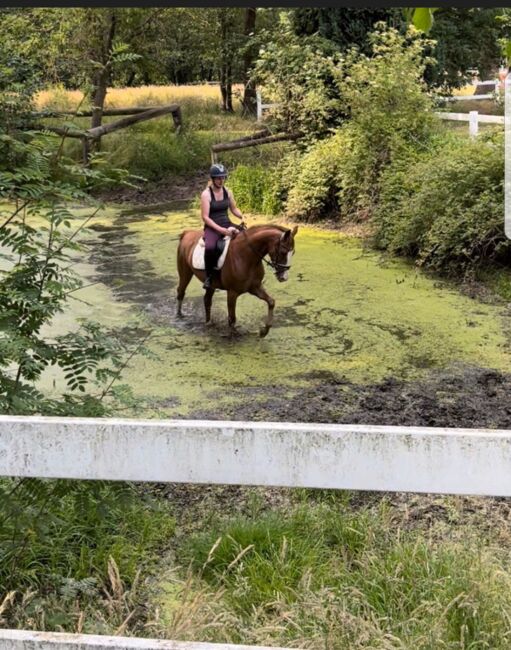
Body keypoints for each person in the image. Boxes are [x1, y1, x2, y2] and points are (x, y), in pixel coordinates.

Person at [200, 163, 245, 290]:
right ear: (213, 179)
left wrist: (242, 216)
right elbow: (205, 217)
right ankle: (209, 277)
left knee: (247, 237)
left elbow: (234, 209)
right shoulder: (206, 195)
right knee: (210, 248)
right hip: (212, 227)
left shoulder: (228, 192)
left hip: (227, 223)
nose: (221, 180)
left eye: (223, 177)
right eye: (218, 178)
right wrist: (221, 230)